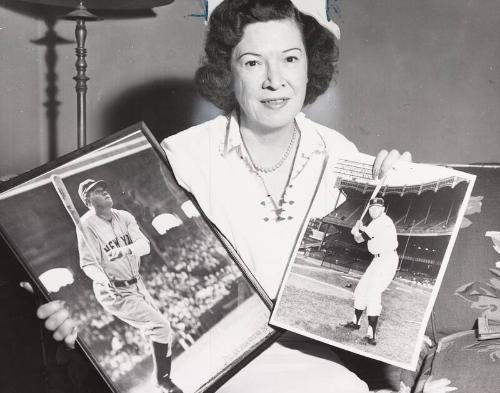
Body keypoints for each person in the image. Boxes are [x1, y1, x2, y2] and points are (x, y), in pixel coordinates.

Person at [35, 0, 420, 391]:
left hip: (317, 367)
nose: (275, 80)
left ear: (309, 66)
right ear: (228, 71)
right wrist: (73, 315)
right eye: (253, 62)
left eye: (290, 58)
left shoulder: (341, 154)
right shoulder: (180, 157)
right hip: (226, 374)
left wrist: (392, 179)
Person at [75, 179, 182, 393]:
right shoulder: (86, 224)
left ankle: (162, 381)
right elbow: (87, 265)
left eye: (104, 188)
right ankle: (163, 382)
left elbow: (145, 247)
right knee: (161, 327)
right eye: (97, 191)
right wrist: (104, 279)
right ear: (88, 201)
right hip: (113, 290)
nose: (105, 192)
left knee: (162, 332)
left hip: (136, 283)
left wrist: (123, 251)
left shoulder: (124, 216)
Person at [344, 197, 399, 346]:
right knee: (361, 289)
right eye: (371, 207)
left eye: (377, 207)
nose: (373, 210)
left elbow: (360, 240)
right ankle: (355, 322)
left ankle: (371, 335)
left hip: (387, 260)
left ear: (383, 209)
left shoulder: (382, 221)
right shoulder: (378, 222)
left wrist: (355, 232)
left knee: (373, 294)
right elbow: (370, 231)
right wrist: (361, 227)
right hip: (378, 260)